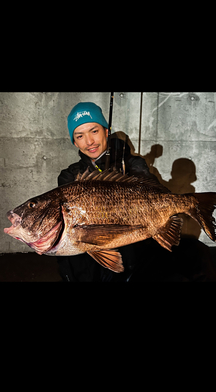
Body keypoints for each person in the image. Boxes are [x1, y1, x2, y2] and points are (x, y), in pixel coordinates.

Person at [57, 101, 168, 282]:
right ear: (75, 142)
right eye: (80, 136)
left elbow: (158, 197)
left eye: (94, 131)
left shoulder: (133, 164)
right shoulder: (69, 176)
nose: (89, 142)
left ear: (106, 132)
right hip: (89, 262)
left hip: (131, 257)